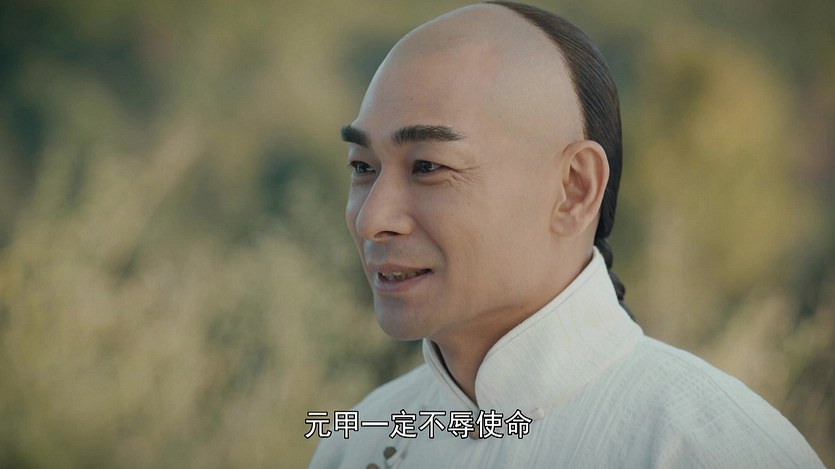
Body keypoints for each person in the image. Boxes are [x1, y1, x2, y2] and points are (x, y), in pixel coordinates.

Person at [310, 2, 824, 467]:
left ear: (575, 189)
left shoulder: (705, 448)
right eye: (362, 167)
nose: (372, 219)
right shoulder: (357, 441)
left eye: (427, 166)